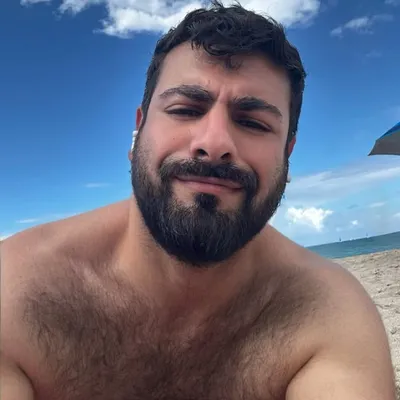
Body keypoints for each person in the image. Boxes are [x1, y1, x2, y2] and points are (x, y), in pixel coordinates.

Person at [1, 1, 396, 399]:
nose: (214, 143)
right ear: (138, 130)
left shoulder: (327, 311)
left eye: (253, 122)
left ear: (287, 153)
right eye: (185, 109)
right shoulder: (15, 291)